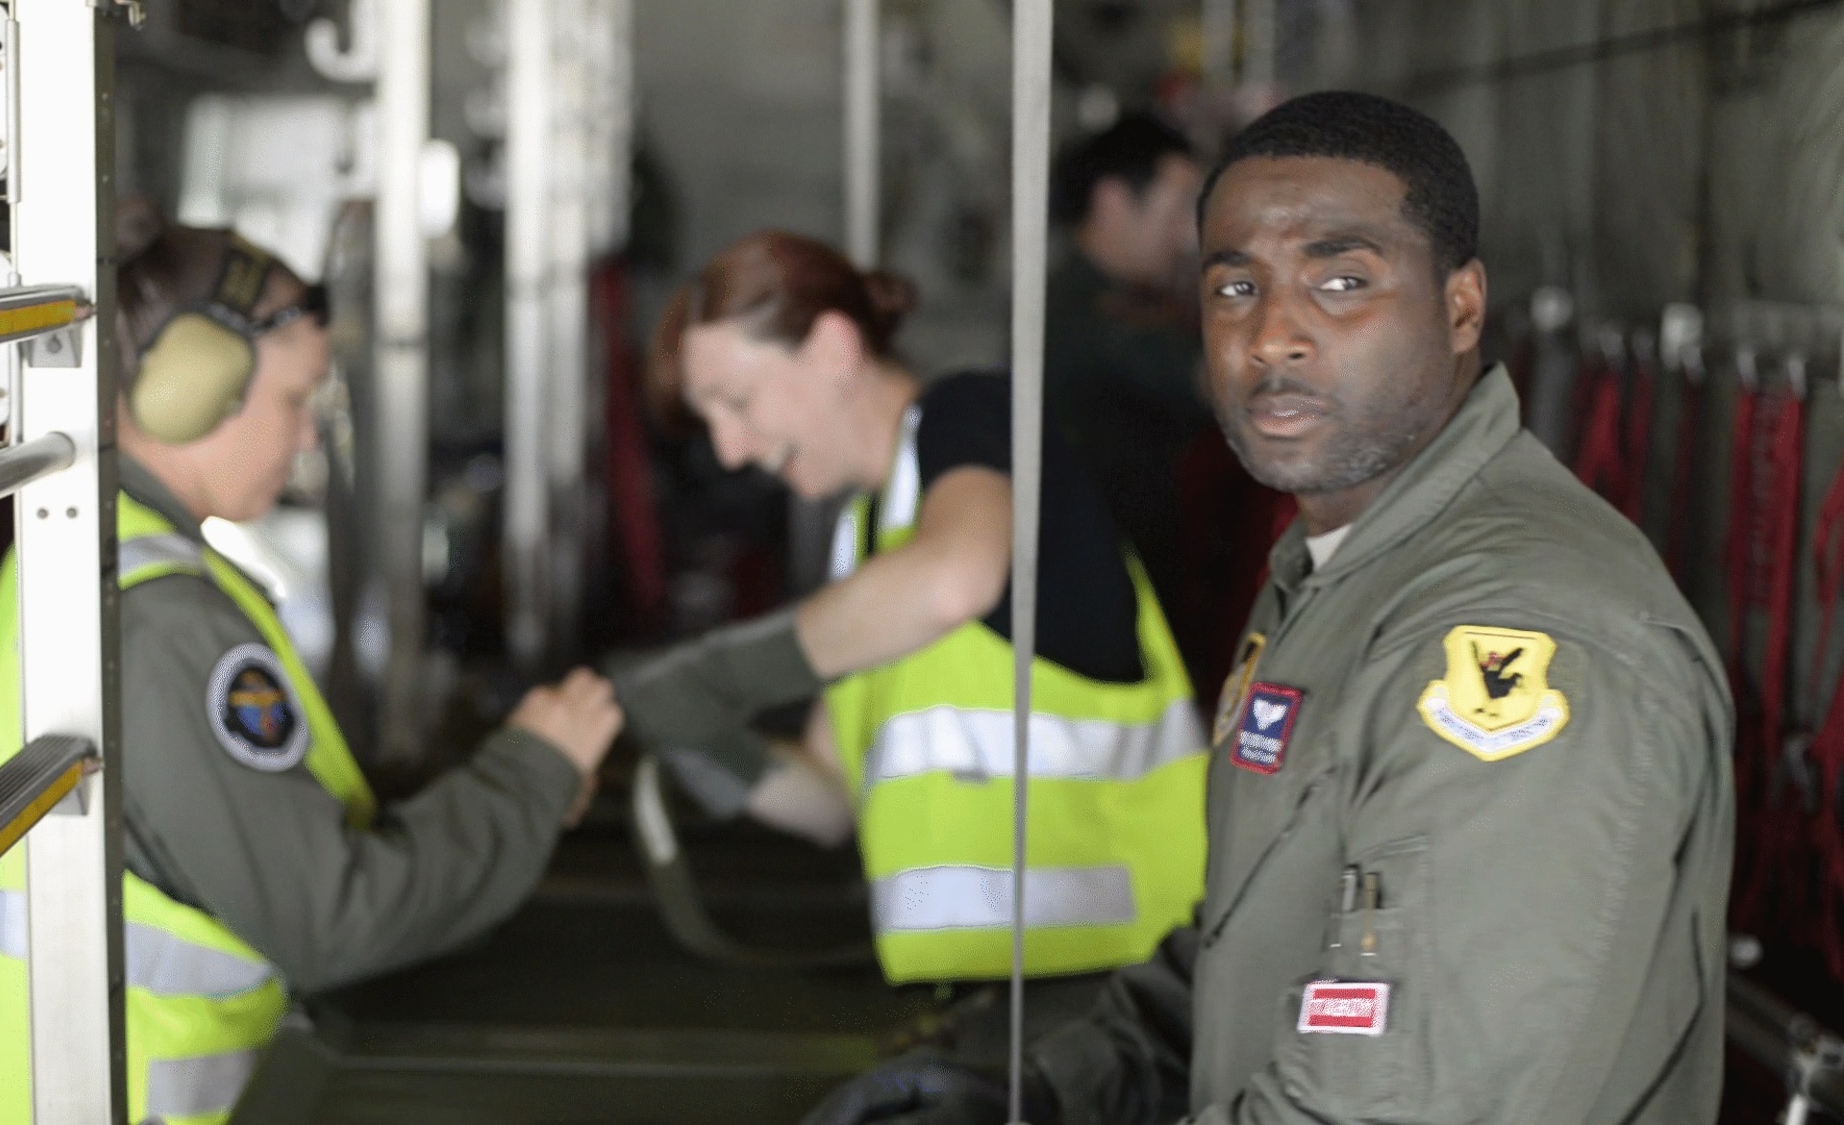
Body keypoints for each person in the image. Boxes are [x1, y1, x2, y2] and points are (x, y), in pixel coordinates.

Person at [805, 90, 1733, 1125]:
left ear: (1460, 307)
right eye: (1234, 287)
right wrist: (1037, 1094)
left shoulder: (1526, 640)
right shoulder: (1330, 574)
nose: (1273, 335)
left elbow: (1406, 1107)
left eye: (1341, 281)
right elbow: (1246, 942)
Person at [0, 209, 623, 1125]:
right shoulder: (166, 619)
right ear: (187, 392)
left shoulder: (88, 550)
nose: (305, 440)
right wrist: (531, 772)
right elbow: (333, 917)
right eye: (296, 401)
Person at [616, 230, 1209, 988]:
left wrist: (722, 671)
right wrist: (697, 735)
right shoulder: (868, 537)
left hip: (1128, 991)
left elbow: (952, 581)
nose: (730, 450)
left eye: (737, 403)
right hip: (996, 997)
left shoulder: (974, 416)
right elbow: (831, 797)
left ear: (833, 347)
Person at [1049, 112, 1273, 690]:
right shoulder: (1089, 316)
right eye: (1177, 208)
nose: (1186, 237)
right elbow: (1218, 378)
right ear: (1114, 201)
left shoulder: (1114, 304)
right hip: (1107, 602)